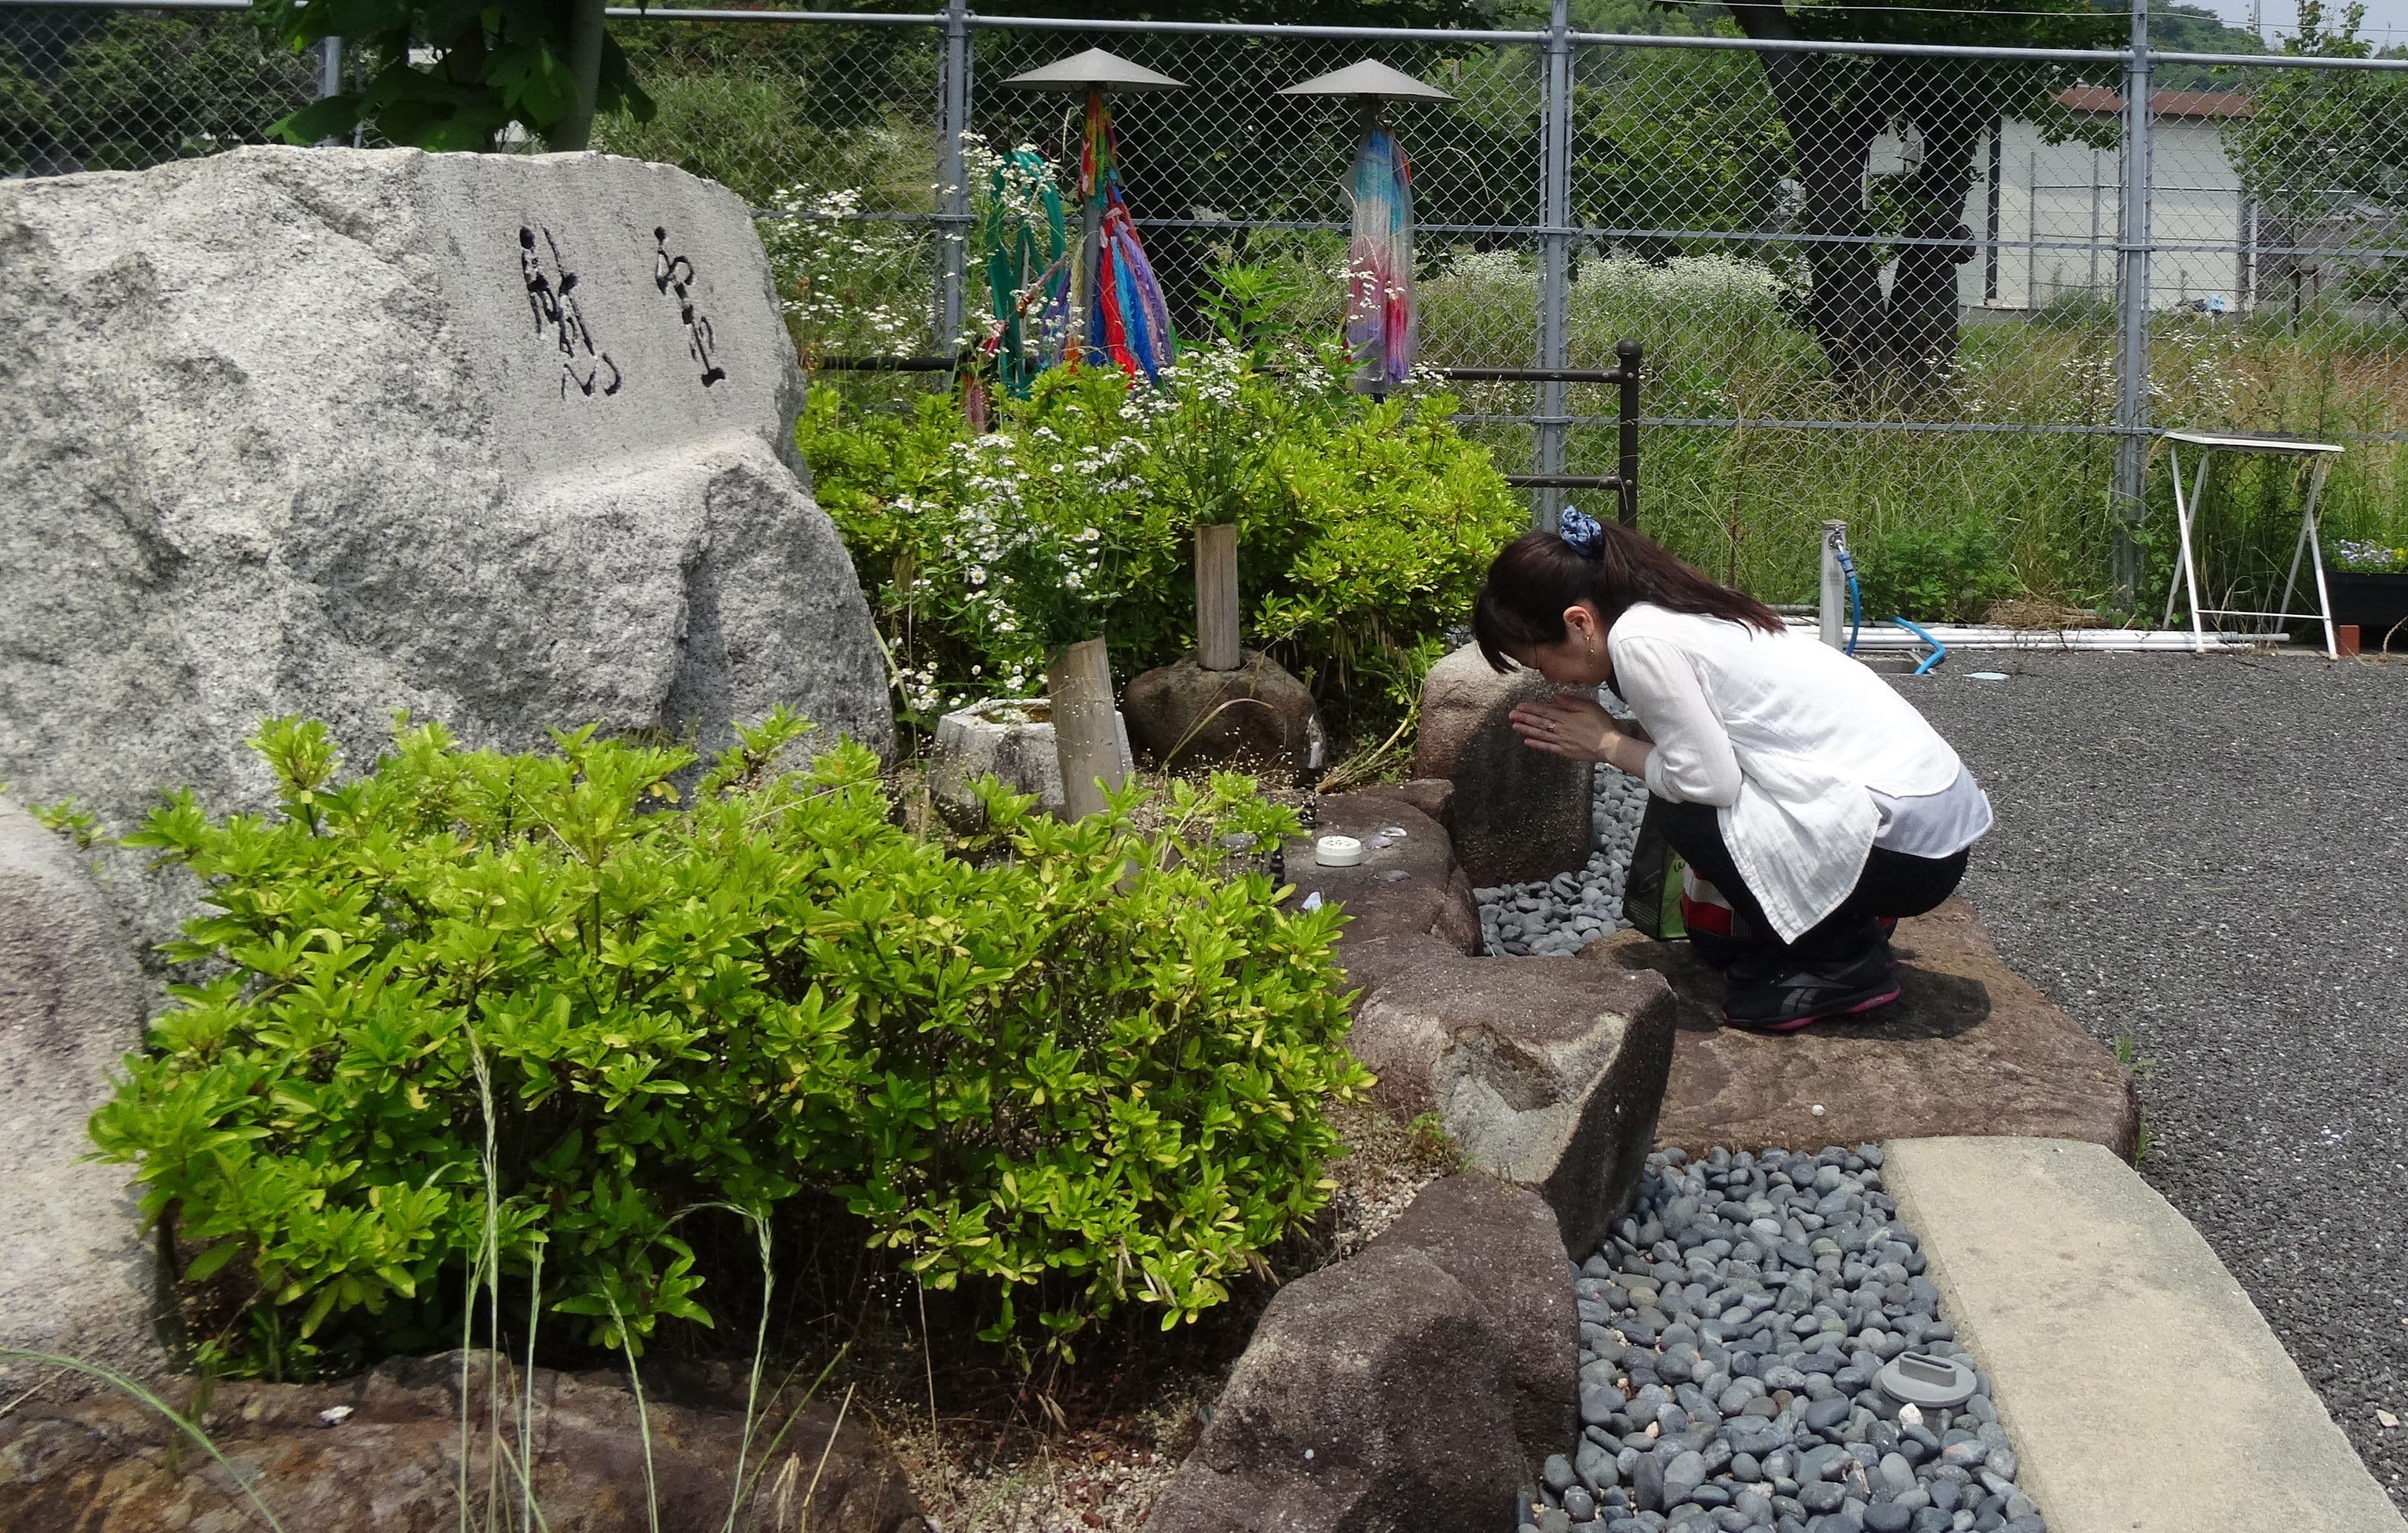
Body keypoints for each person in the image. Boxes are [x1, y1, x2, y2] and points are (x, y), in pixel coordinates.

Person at [1471, 510, 1992, 1032]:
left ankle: (1842, 964)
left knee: (1685, 809)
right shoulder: (1668, 610)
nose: (1546, 679)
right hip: (1926, 824)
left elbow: (1706, 782)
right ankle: (1830, 930)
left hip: (1903, 851)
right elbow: (1715, 737)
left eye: (1539, 663)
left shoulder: (1637, 642)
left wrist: (1607, 745)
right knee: (1681, 794)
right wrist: (1625, 733)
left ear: (1578, 622)